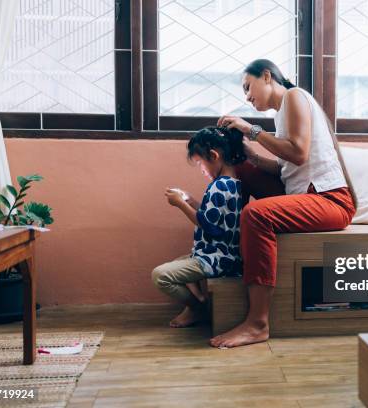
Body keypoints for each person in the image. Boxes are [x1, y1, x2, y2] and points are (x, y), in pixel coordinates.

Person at [210, 59, 357, 348]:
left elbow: (299, 153)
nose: (247, 97)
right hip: (302, 194)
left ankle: (257, 323)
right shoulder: (281, 116)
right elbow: (286, 169)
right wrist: (248, 154)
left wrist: (250, 129)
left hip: (330, 201)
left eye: (248, 87)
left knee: (256, 214)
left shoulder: (294, 96)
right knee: (242, 169)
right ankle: (231, 249)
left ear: (266, 76)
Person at [152, 126, 245, 328]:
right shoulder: (232, 183)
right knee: (179, 261)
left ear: (214, 155)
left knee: (160, 275)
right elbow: (213, 216)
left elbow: (209, 226)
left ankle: (197, 307)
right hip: (221, 255)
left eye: (200, 163)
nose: (202, 170)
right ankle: (200, 302)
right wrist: (191, 200)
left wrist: (180, 204)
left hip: (217, 258)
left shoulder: (220, 185)